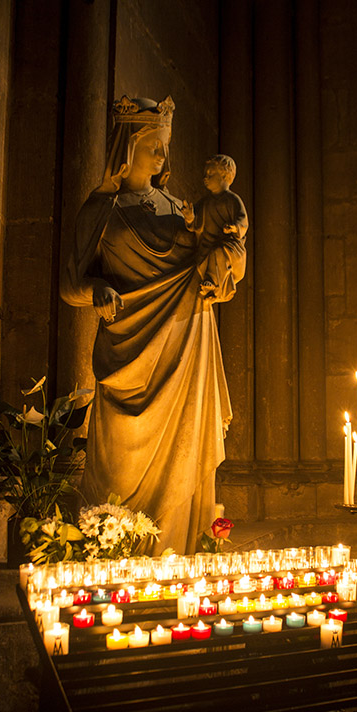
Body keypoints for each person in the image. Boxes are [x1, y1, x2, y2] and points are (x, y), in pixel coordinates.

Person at [60, 95, 247, 554]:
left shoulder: (180, 207)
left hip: (185, 345)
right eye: (154, 146)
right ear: (127, 149)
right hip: (128, 350)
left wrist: (227, 263)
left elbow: (211, 261)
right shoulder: (100, 210)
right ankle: (114, 552)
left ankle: (178, 554)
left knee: (184, 466)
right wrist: (95, 291)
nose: (163, 157)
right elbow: (70, 285)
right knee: (118, 471)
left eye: (164, 146)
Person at [181, 154, 248, 301]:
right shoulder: (205, 202)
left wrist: (234, 227)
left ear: (224, 176)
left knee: (218, 253)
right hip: (207, 247)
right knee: (204, 259)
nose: (205, 177)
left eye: (210, 174)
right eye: (205, 174)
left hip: (231, 248)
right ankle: (211, 290)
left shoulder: (232, 200)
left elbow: (243, 221)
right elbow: (195, 224)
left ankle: (214, 284)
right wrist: (190, 217)